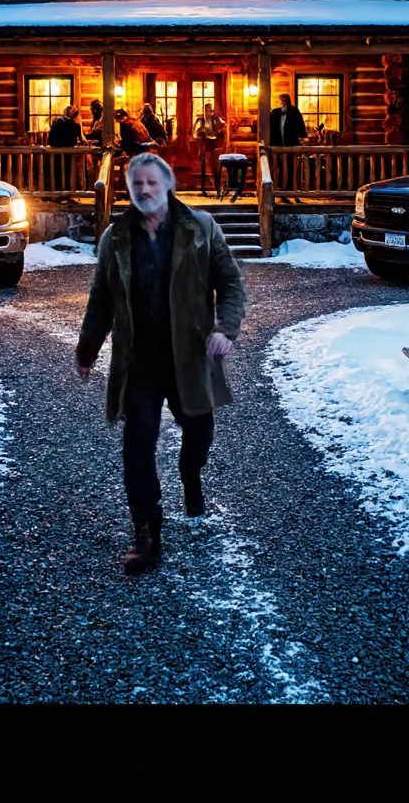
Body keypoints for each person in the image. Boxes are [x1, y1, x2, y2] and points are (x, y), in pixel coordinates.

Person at [75, 153, 246, 575]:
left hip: (190, 357)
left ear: (168, 184)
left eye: (152, 182)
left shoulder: (201, 228)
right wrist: (87, 349)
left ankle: (191, 474)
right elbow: (101, 297)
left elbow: (230, 282)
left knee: (200, 430)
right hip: (139, 360)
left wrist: (225, 329)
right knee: (137, 445)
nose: (145, 191)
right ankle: (147, 530)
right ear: (129, 189)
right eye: (137, 185)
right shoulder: (115, 237)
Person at [269, 93, 307, 202]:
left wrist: (303, 137)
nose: (282, 102)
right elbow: (269, 127)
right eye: (281, 100)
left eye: (284, 100)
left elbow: (301, 126)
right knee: (280, 171)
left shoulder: (294, 112)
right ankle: (282, 194)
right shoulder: (275, 113)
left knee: (293, 171)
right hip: (278, 147)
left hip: (291, 147)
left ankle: (294, 194)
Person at [193, 102, 226, 198]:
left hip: (215, 145)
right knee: (204, 166)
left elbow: (224, 126)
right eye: (207, 109)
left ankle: (218, 188)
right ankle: (203, 188)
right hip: (205, 145)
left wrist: (219, 131)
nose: (208, 111)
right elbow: (194, 132)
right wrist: (200, 132)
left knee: (216, 167)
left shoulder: (216, 119)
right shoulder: (201, 120)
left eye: (210, 109)